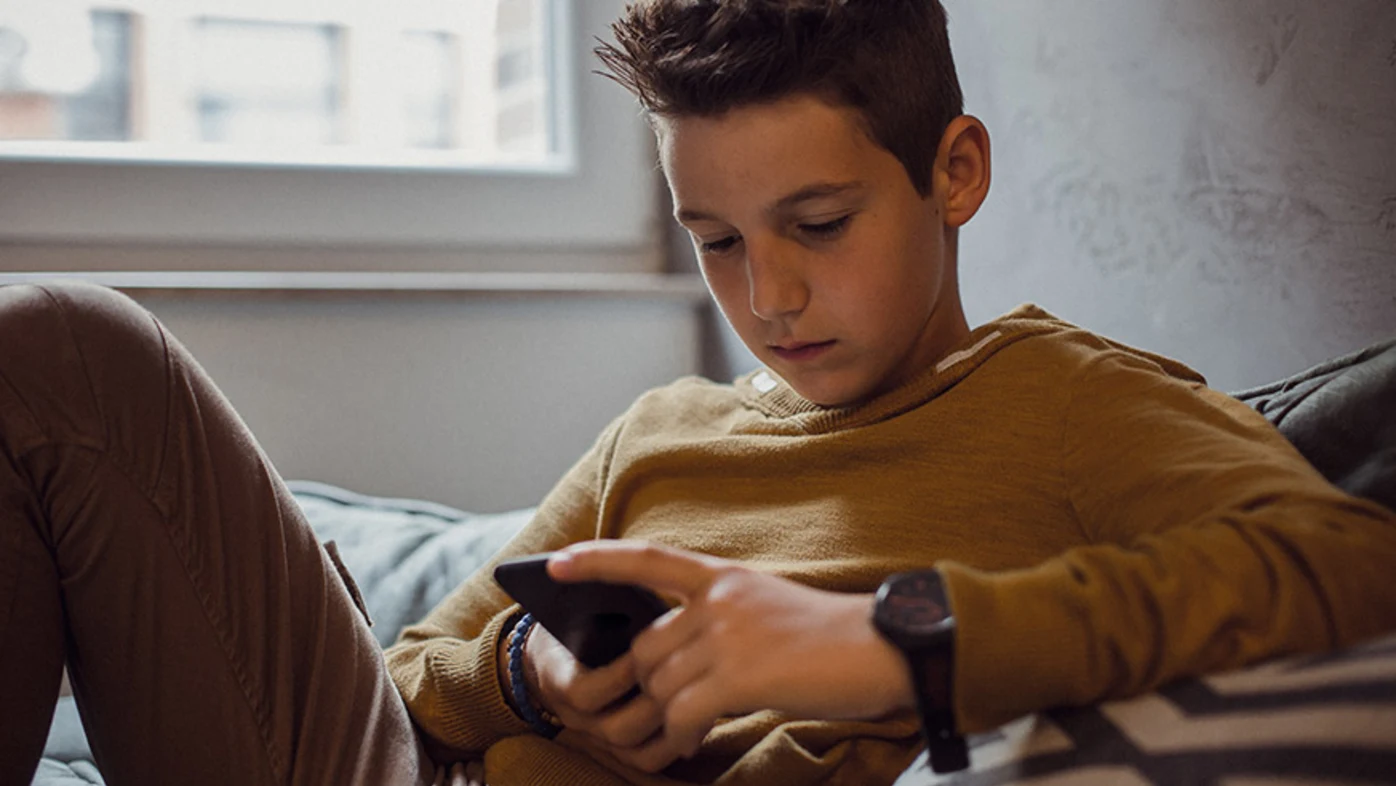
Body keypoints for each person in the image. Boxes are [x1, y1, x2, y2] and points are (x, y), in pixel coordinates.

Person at [0, 4, 1391, 786]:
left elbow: (1348, 563)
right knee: (50, 346)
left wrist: (887, 641)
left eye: (819, 223)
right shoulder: (663, 433)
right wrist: (536, 682)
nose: (767, 295)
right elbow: (414, 673)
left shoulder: (1075, 404)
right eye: (717, 241)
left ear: (954, 171)